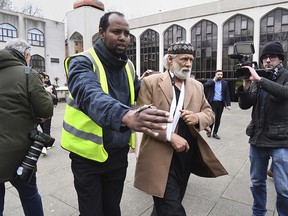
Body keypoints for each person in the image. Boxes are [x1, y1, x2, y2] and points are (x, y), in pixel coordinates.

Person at [61, 11, 172, 216]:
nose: (123, 37)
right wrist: (126, 116)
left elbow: (140, 93)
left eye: (127, 33)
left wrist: (160, 81)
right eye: (116, 31)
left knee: (113, 209)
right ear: (102, 33)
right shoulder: (82, 61)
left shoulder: (128, 66)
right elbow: (89, 94)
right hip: (87, 156)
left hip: (117, 154)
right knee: (92, 212)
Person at [134, 41, 220, 216]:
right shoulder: (151, 82)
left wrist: (197, 117)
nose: (188, 64)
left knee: (168, 203)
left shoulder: (197, 86)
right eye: (184, 59)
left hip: (186, 154)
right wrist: (169, 136)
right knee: (172, 209)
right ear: (171, 61)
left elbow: (209, 113)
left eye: (190, 59)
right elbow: (142, 117)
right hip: (158, 153)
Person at [0, 38, 54, 215]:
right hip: (20, 153)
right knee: (29, 194)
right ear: (26, 55)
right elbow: (45, 109)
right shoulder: (26, 73)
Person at [237, 41, 288, 216]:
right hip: (257, 140)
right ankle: (258, 213)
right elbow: (245, 105)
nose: (267, 61)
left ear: (280, 59)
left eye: (271, 57)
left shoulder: (285, 76)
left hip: (280, 141)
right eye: (264, 58)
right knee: (256, 183)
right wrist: (245, 85)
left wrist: (259, 80)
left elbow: (284, 93)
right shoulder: (259, 79)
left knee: (283, 188)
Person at [203, 70, 231, 139]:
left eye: (221, 74)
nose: (220, 76)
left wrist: (228, 104)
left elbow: (227, 94)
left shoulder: (225, 83)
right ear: (215, 75)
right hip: (212, 103)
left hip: (221, 103)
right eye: (218, 74)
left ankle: (215, 133)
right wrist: (213, 81)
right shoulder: (211, 82)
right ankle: (209, 131)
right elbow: (204, 85)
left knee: (218, 119)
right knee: (212, 118)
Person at [39, 72, 58, 155]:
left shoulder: (49, 86)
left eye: (44, 78)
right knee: (41, 130)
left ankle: (45, 146)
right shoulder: (34, 86)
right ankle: (48, 142)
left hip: (47, 112)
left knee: (46, 129)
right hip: (38, 113)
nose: (44, 79)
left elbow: (54, 97)